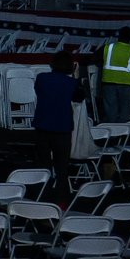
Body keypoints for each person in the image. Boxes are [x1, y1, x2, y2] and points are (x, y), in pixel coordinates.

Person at [29, 54, 79, 188]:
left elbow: (38, 91)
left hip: (43, 125)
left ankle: (42, 191)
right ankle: (61, 197)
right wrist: (76, 76)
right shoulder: (72, 83)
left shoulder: (42, 78)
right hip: (63, 127)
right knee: (62, 166)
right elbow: (79, 98)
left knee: (43, 163)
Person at [94, 29, 130, 123]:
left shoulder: (108, 47)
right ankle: (122, 134)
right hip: (126, 84)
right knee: (124, 113)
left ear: (119, 36)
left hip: (109, 82)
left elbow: (95, 57)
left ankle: (111, 134)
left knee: (110, 112)